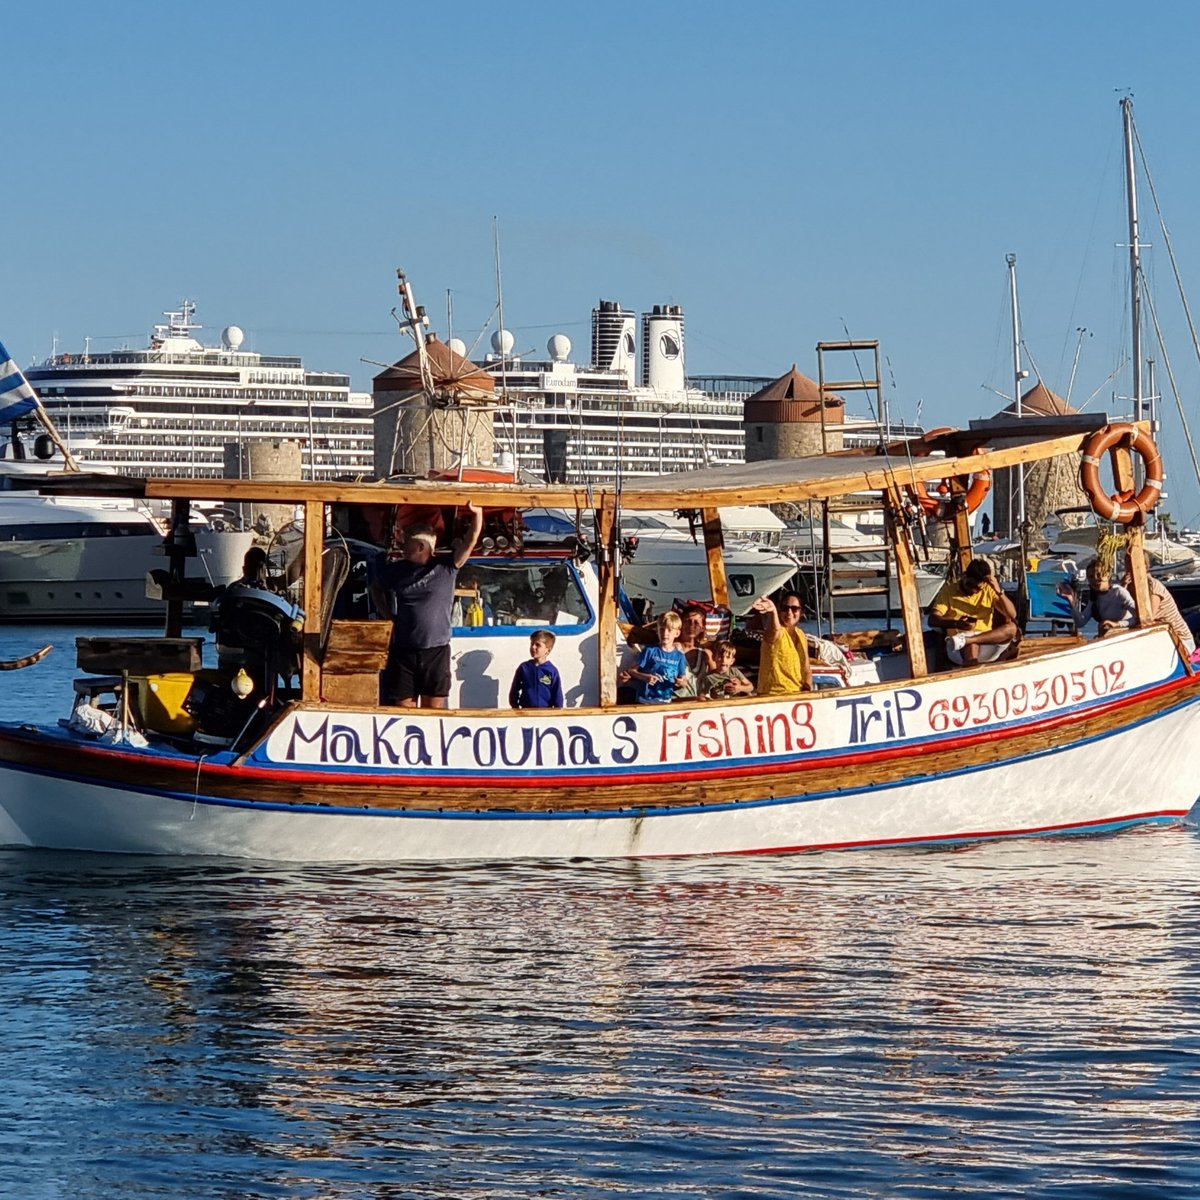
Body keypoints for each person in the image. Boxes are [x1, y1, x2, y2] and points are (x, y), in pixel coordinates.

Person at [374, 503, 484, 708]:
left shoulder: (446, 567)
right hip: (404, 650)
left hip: (436, 651)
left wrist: (477, 513)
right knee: (402, 709)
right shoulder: (396, 571)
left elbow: (470, 541)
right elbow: (375, 588)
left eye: (406, 543)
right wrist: (387, 613)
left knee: (433, 711)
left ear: (420, 547)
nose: (402, 547)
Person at [927, 557, 1021, 667]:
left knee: (1012, 628)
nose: (973, 590)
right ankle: (970, 652)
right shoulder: (949, 591)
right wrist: (956, 623)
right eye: (970, 585)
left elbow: (1012, 614)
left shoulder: (988, 590)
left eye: (977, 588)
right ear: (964, 576)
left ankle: (969, 640)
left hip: (987, 641)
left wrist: (999, 592)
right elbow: (933, 619)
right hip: (958, 645)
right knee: (971, 645)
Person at [1122, 550, 1196, 654]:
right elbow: (1122, 611)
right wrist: (1123, 588)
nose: (1131, 567)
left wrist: (1122, 624)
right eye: (1127, 563)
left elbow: (1148, 618)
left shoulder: (1153, 586)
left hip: (1180, 639)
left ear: (1146, 566)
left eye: (1134, 563)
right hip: (1160, 637)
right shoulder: (1129, 587)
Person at [751, 591, 811, 695]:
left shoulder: (801, 635)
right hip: (772, 696)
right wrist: (773, 612)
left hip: (796, 694)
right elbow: (774, 630)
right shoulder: (777, 632)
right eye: (785, 608)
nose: (789, 612)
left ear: (802, 612)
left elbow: (807, 670)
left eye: (794, 609)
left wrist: (807, 689)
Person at [1056, 560, 1136, 637]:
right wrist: (1071, 601)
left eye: (1098, 574)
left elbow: (1139, 617)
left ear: (1108, 575)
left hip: (1126, 635)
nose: (1095, 579)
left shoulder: (1119, 592)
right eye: (1091, 577)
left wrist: (1118, 624)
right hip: (1108, 637)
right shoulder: (1094, 597)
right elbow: (1080, 622)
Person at [624, 611, 689, 704]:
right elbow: (632, 671)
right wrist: (645, 677)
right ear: (657, 631)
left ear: (677, 633)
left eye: (669, 630)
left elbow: (684, 680)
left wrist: (680, 682)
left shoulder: (680, 656)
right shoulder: (650, 650)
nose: (665, 633)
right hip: (645, 701)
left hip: (665, 702)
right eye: (662, 629)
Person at [509, 630, 564, 709]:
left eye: (538, 645)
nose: (533, 647)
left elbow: (557, 693)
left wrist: (557, 711)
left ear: (548, 650)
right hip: (526, 712)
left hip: (546, 713)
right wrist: (515, 707)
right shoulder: (524, 668)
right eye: (532, 644)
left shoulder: (552, 670)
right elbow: (514, 689)